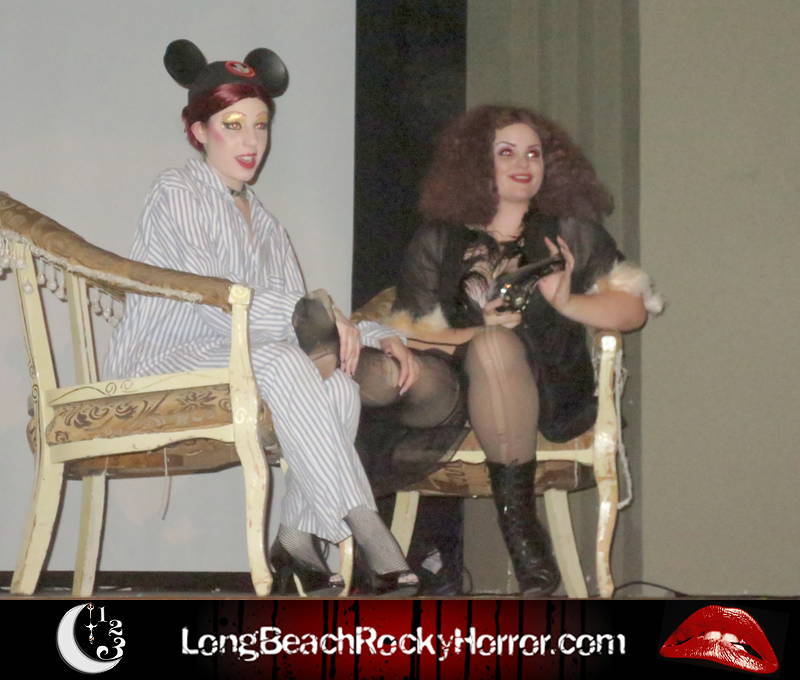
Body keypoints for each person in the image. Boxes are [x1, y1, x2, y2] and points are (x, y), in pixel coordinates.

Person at [103, 39, 420, 597]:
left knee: (338, 384)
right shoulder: (177, 190)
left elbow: (299, 314)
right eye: (233, 125)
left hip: (237, 358)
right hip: (161, 360)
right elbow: (218, 300)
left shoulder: (268, 225)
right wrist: (318, 315)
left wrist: (381, 336)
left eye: (261, 125)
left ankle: (295, 538)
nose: (251, 142)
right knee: (279, 357)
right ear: (199, 131)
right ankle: (367, 526)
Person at [354, 105, 662, 596]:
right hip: (449, 391)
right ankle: (516, 543)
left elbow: (633, 310)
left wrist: (567, 301)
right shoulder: (438, 238)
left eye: (533, 153)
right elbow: (412, 335)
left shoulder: (568, 232)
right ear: (478, 163)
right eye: (506, 152)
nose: (523, 163)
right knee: (437, 357)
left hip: (544, 387)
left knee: (497, 347)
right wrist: (477, 333)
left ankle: (521, 532)